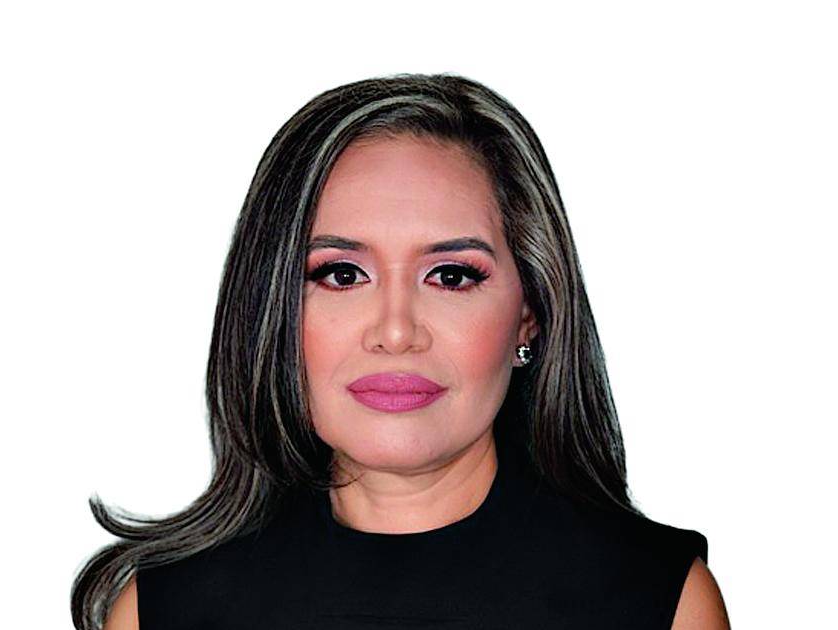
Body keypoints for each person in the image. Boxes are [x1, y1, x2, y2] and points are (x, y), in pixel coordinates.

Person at [72, 73, 730, 629]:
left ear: (529, 316)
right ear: (272, 308)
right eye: (341, 274)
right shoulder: (160, 611)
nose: (395, 331)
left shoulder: (662, 603)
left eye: (451, 276)